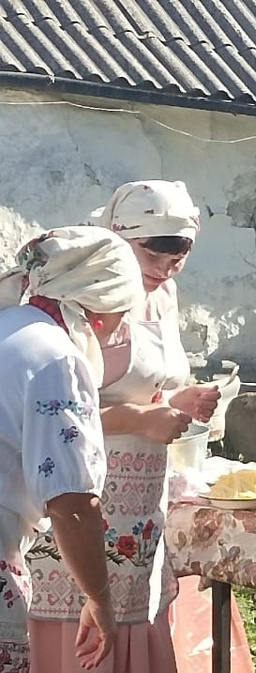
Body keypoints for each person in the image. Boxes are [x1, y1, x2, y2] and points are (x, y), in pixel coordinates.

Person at [23, 181, 247, 673]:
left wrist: (177, 400)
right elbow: (47, 420)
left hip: (140, 502)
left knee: (132, 619)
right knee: (81, 629)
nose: (167, 265)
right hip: (77, 495)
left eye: (180, 252)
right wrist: (136, 420)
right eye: (154, 251)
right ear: (116, 238)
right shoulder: (75, 299)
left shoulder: (165, 294)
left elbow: (148, 385)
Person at [0, 226, 145, 671]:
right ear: (99, 313)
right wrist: (99, 598)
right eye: (123, 314)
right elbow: (72, 505)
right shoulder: (56, 359)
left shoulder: (9, 326)